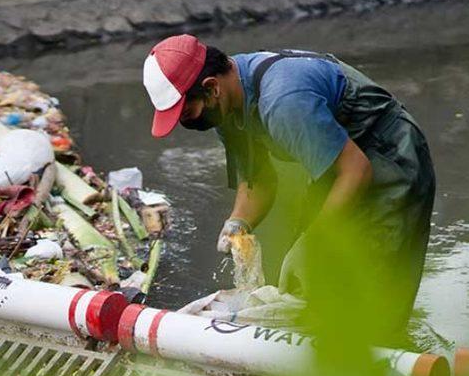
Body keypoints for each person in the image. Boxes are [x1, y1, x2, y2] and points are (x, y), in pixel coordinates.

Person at [141, 34, 435, 329]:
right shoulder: (227, 105)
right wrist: (238, 222)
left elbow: (356, 171)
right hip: (336, 162)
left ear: (211, 87)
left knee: (373, 293)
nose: (185, 122)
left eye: (186, 112)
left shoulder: (282, 102)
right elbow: (257, 179)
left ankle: (386, 354)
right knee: (311, 285)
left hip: (387, 155)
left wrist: (312, 242)